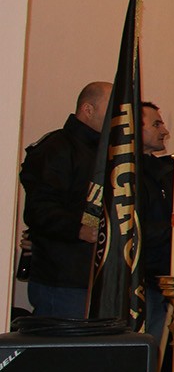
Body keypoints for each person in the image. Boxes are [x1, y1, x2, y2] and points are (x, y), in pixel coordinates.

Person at [19, 81, 109, 319]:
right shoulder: (56, 147)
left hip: (97, 276)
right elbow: (39, 209)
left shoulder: (108, 152)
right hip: (63, 278)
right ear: (88, 109)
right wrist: (80, 229)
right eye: (111, 107)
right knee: (64, 342)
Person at [136, 101, 174, 348]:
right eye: (156, 124)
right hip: (139, 279)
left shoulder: (160, 171)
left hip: (159, 277)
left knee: (153, 351)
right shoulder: (127, 172)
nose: (165, 131)